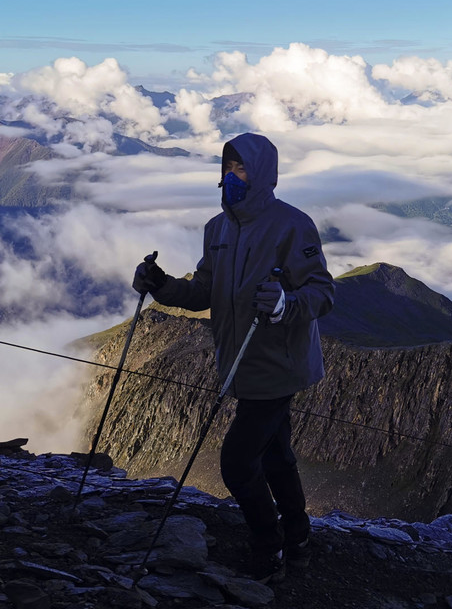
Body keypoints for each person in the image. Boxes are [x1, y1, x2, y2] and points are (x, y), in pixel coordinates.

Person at [133, 132, 335, 583]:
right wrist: (161, 284)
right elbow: (205, 289)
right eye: (227, 166)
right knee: (275, 456)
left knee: (237, 463)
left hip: (278, 365)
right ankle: (297, 538)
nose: (232, 175)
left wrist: (285, 304)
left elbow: (322, 293)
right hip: (238, 362)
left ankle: (269, 548)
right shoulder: (217, 229)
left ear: (262, 173)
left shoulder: (292, 225)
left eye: (241, 168)